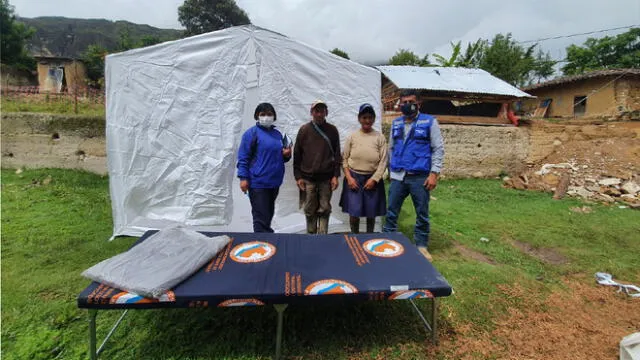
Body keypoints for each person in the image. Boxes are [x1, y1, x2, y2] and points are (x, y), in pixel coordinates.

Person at [383, 90, 445, 261]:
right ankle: (388, 243)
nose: (406, 105)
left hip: (419, 175)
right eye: (403, 102)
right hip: (398, 175)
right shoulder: (396, 123)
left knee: (422, 212)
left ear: (418, 103)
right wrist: (390, 169)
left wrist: (434, 174)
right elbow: (391, 148)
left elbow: (438, 149)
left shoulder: (429, 122)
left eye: (410, 101)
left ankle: (422, 246)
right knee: (391, 211)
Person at [236, 103, 292, 233]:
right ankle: (262, 244)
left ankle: (266, 243)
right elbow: (243, 157)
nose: (266, 117)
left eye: (269, 114)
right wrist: (243, 178)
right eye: (263, 114)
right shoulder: (251, 134)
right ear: (257, 116)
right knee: (261, 219)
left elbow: (282, 158)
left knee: (267, 216)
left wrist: (286, 155)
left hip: (274, 182)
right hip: (258, 183)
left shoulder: (278, 135)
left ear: (274, 116)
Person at [293, 100, 341, 234]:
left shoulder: (332, 130)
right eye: (316, 111)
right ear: (311, 112)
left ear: (326, 112)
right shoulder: (304, 130)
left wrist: (335, 176)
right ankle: (311, 236)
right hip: (308, 178)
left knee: (325, 208)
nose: (319, 114)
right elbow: (297, 154)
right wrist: (298, 177)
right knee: (309, 209)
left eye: (322, 111)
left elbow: (337, 155)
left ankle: (323, 237)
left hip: (326, 178)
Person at [339, 103, 388, 233]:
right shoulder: (352, 137)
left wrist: (375, 179)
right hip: (354, 178)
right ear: (359, 119)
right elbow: (344, 158)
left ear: (374, 118)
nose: (367, 120)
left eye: (370, 117)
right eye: (364, 117)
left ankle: (369, 237)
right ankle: (355, 237)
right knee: (354, 213)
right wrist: (349, 178)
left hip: (372, 179)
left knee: (371, 213)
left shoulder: (379, 137)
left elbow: (383, 161)